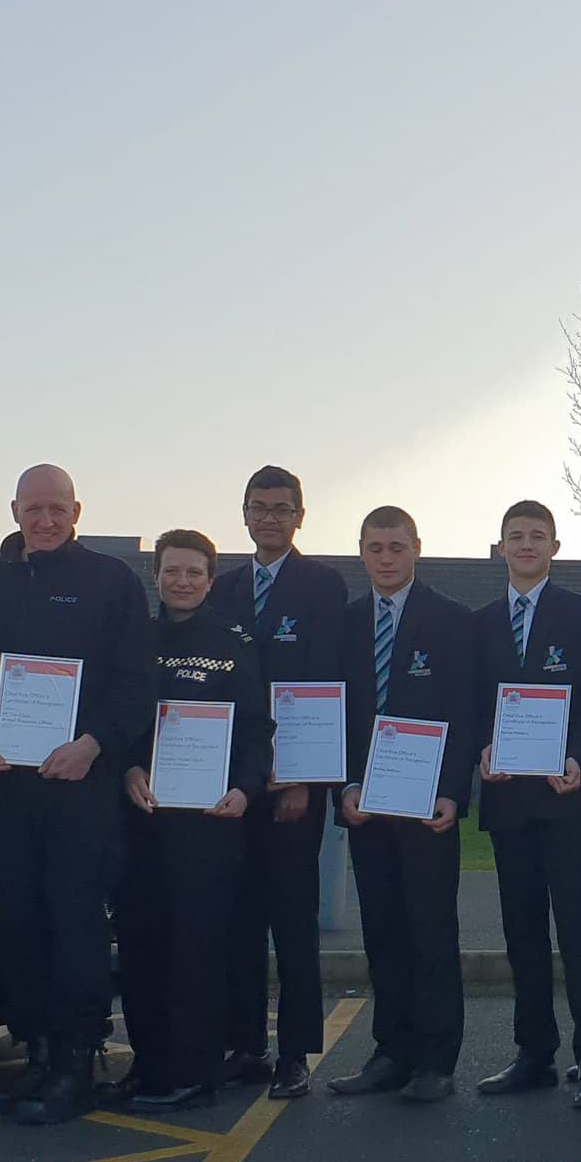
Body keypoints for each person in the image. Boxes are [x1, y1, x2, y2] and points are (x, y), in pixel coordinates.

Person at [0, 465, 152, 1125]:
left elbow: (134, 684)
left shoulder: (111, 583)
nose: (45, 519)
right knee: (14, 919)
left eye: (56, 508)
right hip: (7, 788)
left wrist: (94, 743)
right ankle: (34, 1056)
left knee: (74, 924)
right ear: (14, 510)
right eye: (33, 507)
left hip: (80, 790)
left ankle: (75, 1061)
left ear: (77, 510)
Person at [111, 529, 272, 1111]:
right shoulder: (136, 640)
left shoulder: (233, 642)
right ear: (156, 574)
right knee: (142, 946)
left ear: (210, 578)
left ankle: (195, 1071)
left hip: (209, 821)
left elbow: (257, 728)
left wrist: (245, 789)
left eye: (194, 573)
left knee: (197, 949)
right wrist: (128, 768)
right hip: (144, 818)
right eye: (172, 571)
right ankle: (148, 1064)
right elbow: (118, 720)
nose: (182, 582)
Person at [331, 507, 478, 1103]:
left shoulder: (452, 621)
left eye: (396, 546)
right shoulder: (343, 624)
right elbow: (332, 714)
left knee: (430, 929)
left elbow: (466, 713)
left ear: (416, 548)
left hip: (427, 806)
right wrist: (343, 787)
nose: (386, 558)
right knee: (382, 931)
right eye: (375, 547)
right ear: (361, 551)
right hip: (368, 805)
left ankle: (436, 1061)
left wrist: (450, 790)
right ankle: (390, 1052)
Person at [209, 466, 346, 1100]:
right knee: (236, 918)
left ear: (300, 516)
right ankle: (244, 1044)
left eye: (282, 508)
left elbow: (325, 686)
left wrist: (304, 781)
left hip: (293, 783)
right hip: (232, 781)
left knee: (292, 919)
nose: (270, 518)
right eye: (259, 508)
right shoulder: (221, 587)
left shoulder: (322, 586)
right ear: (243, 514)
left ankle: (294, 1053)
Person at [471, 501, 581, 1108]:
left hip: (565, 797)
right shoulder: (478, 624)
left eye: (537, 536)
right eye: (515, 537)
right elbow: (472, 703)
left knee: (576, 926)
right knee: (521, 929)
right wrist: (480, 748)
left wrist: (580, 758)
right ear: (499, 547)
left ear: (555, 546)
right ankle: (533, 1053)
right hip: (508, 799)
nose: (526, 545)